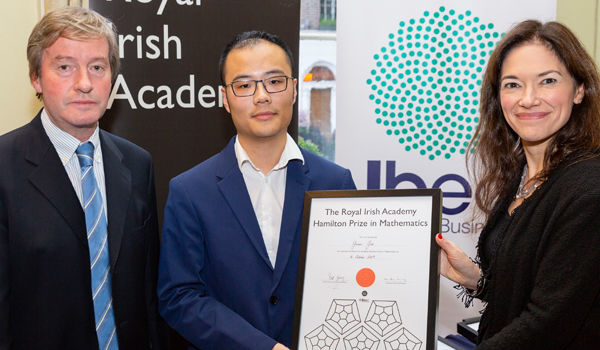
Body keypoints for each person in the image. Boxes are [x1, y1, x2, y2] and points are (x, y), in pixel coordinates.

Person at [157, 31, 356, 350]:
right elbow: (179, 298)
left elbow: (352, 279)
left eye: (274, 81)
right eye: (245, 85)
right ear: (225, 97)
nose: (261, 96)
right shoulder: (190, 191)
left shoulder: (335, 183)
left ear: (293, 89)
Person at [0, 6, 169, 349]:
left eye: (97, 67)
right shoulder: (4, 166)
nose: (84, 83)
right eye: (65, 67)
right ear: (36, 77)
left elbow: (149, 298)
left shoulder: (137, 164)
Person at [436, 20, 600, 349]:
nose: (528, 99)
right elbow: (527, 291)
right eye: (512, 85)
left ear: (579, 90)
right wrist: (477, 281)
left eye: (548, 81)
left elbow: (547, 324)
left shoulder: (589, 190)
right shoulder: (523, 174)